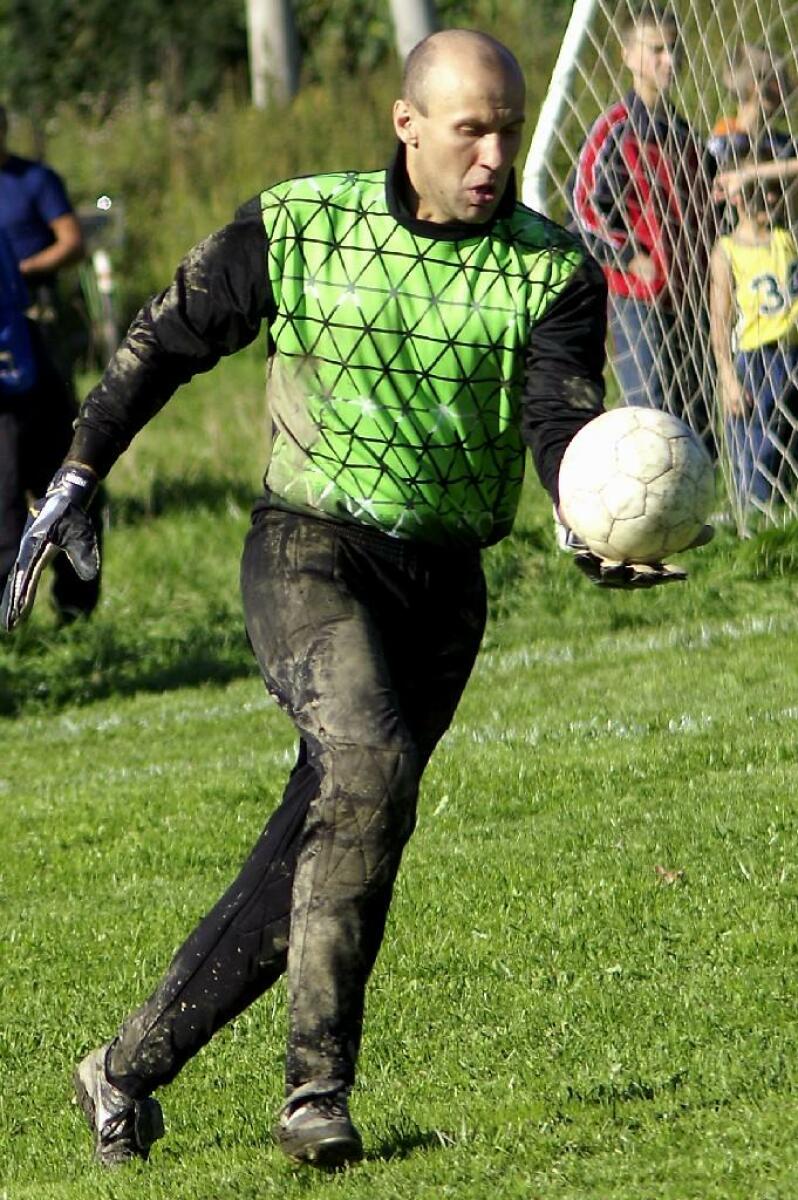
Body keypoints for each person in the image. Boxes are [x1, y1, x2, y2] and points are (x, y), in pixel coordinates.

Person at [1, 30, 691, 1172]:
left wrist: (585, 522)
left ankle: (121, 1070)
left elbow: (558, 422)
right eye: (470, 130)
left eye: (507, 131)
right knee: (366, 773)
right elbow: (165, 338)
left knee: (333, 838)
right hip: (308, 552)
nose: (493, 155)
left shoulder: (553, 269)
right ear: (407, 125)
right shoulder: (302, 225)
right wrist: (78, 471)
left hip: (443, 589)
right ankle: (315, 1093)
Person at [569, 3, 714, 443]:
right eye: (657, 50)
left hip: (689, 295)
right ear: (628, 56)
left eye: (674, 49)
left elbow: (706, 209)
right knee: (650, 412)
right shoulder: (614, 129)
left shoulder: (685, 135)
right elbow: (584, 209)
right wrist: (632, 256)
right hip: (637, 294)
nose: (669, 60)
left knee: (697, 417)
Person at [0, 103, 102, 622]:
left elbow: (72, 242)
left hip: (35, 335)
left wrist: (20, 270)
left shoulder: (34, 180)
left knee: (59, 463)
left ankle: (74, 604)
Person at [709, 162, 798, 524]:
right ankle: (753, 523)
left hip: (794, 352)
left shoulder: (786, 237)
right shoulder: (727, 250)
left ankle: (785, 514)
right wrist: (728, 377)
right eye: (758, 193)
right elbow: (719, 321)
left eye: (772, 190)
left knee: (789, 446)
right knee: (755, 448)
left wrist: (753, 173)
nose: (770, 199)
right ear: (736, 200)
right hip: (758, 359)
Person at [709, 44, 798, 202]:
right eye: (778, 79)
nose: (788, 87)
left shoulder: (781, 142)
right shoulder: (726, 140)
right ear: (757, 87)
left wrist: (752, 173)